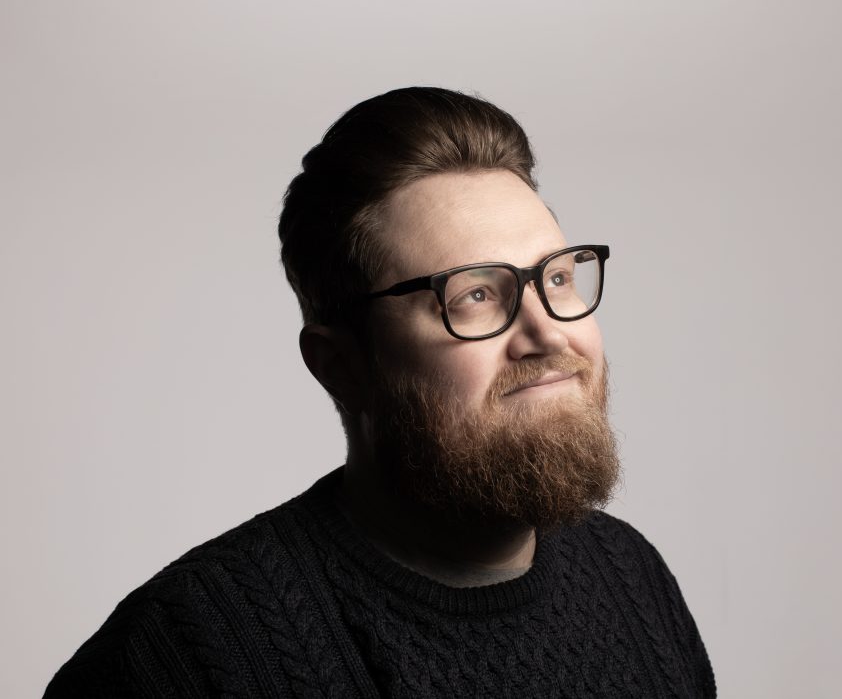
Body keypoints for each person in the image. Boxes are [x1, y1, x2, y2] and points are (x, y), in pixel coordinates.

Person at [46, 86, 716, 697]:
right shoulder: (179, 659)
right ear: (342, 364)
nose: (547, 335)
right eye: (477, 295)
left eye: (559, 279)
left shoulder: (630, 579)